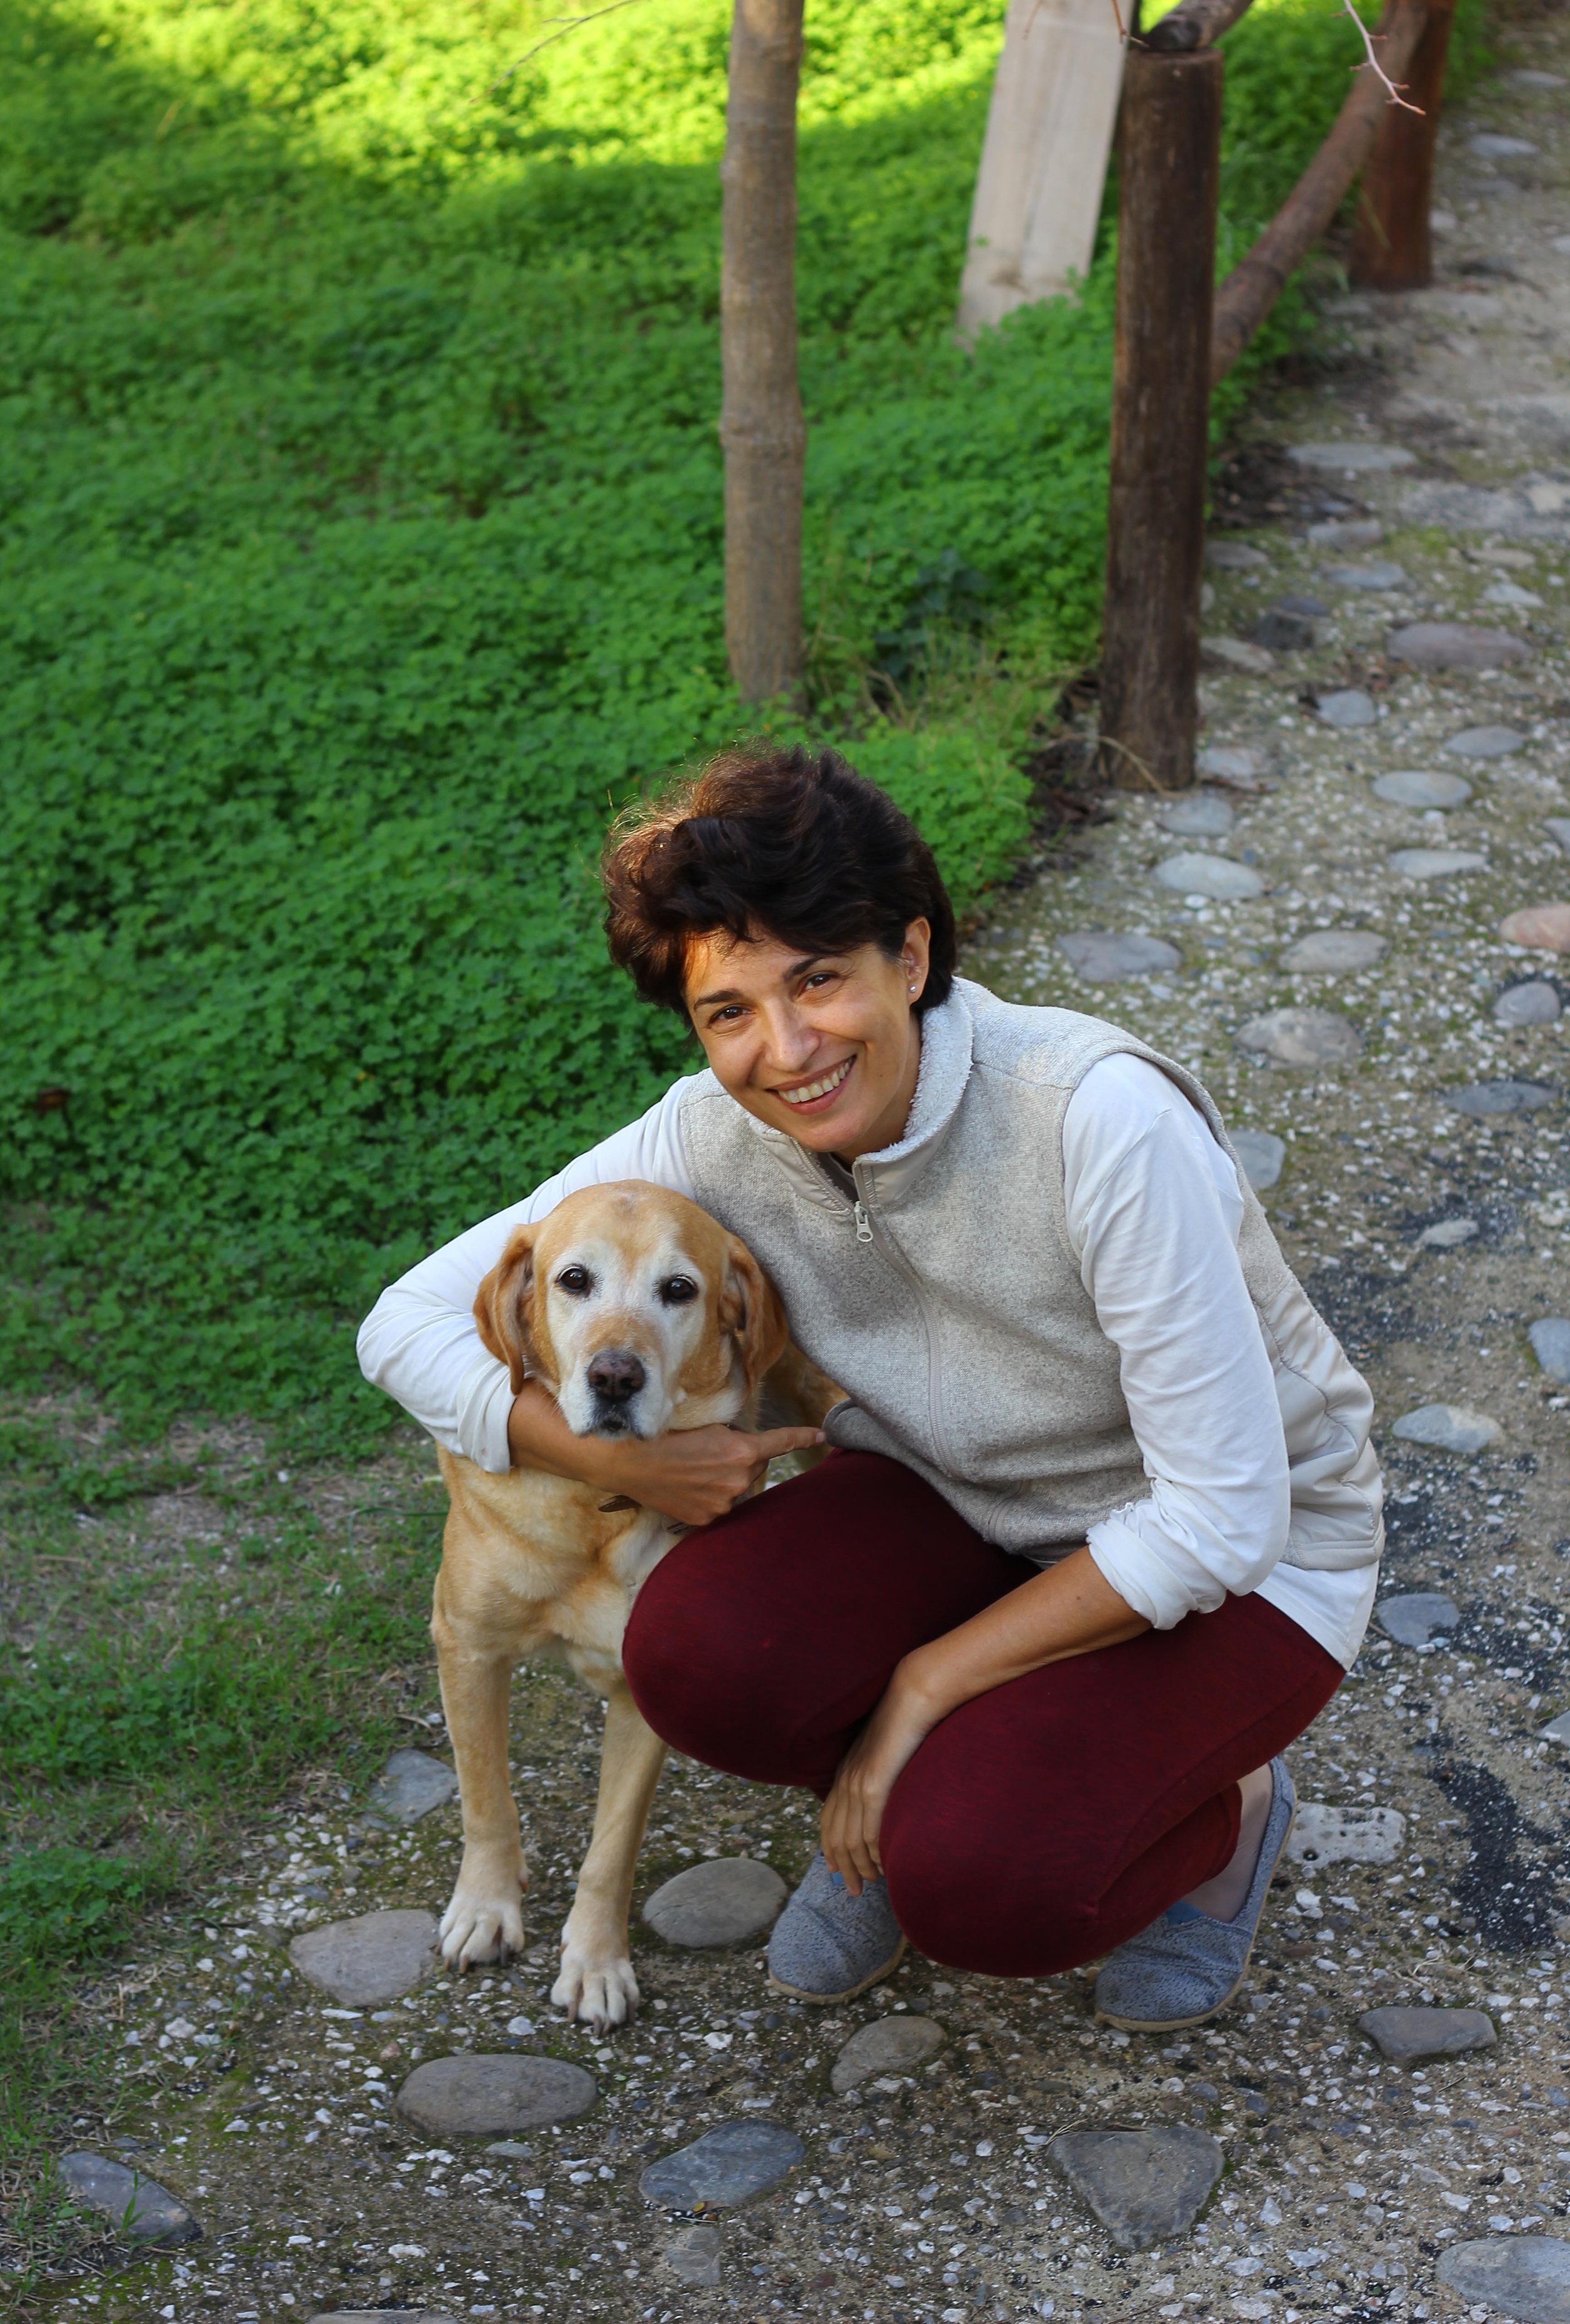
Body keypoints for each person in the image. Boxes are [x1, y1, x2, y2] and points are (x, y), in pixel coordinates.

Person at [358, 743, 1381, 2028]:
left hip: (1244, 1563)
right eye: (727, 1011)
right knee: (696, 1653)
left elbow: (1220, 1519)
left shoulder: (1096, 1119)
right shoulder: (710, 1131)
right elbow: (404, 1322)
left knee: (991, 1886)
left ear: (908, 955)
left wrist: (922, 1686)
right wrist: (613, 1460)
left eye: (818, 980)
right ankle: (925, 1795)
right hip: (961, 1499)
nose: (784, 1051)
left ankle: (1221, 1814)